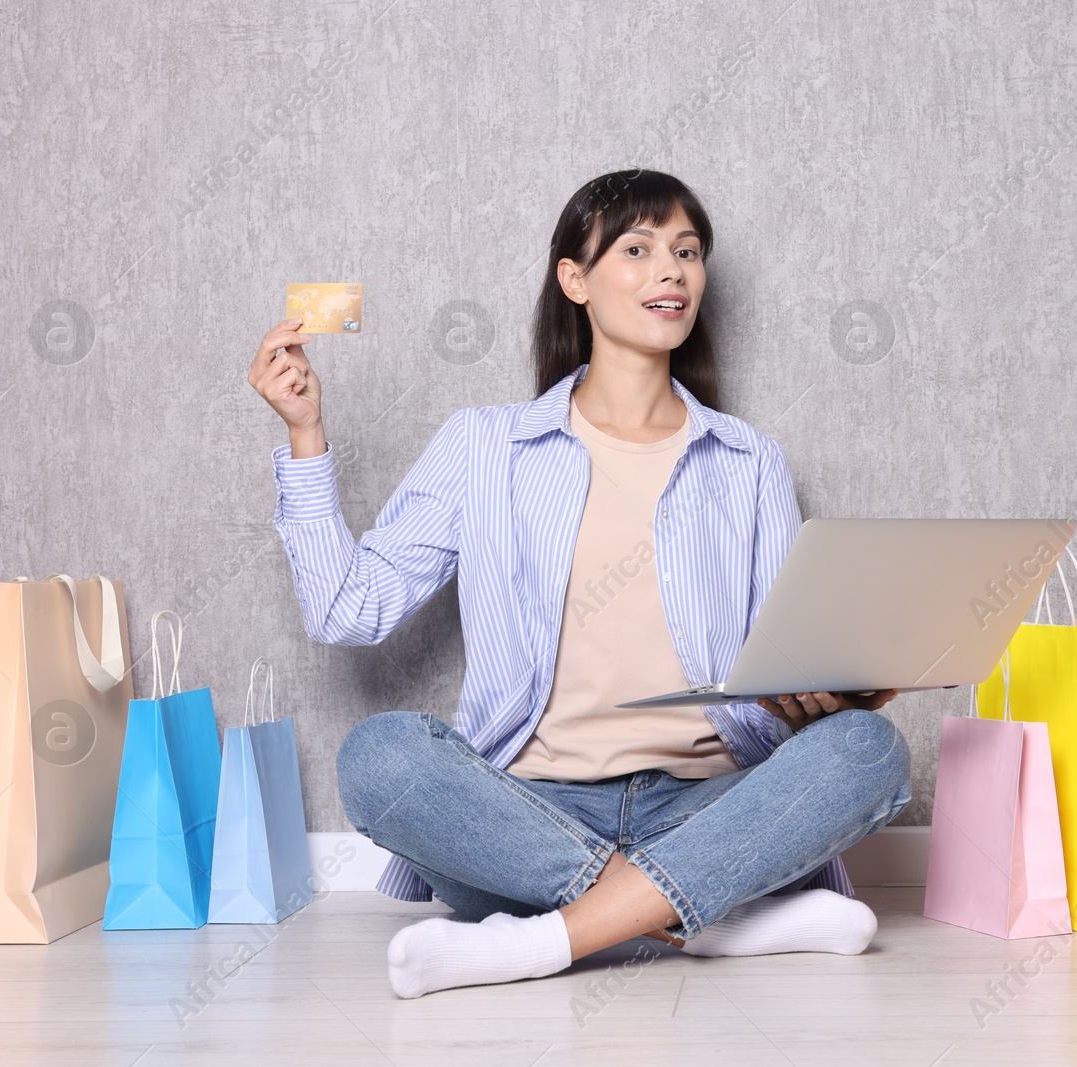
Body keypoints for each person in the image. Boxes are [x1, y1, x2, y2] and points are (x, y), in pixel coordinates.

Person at [248, 169, 912, 999]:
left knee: (870, 750)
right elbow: (350, 610)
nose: (671, 271)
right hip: (527, 818)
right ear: (575, 280)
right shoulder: (484, 447)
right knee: (378, 757)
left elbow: (779, 655)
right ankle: (713, 919)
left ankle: (549, 939)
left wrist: (828, 693)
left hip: (707, 804)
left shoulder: (749, 462)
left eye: (687, 252)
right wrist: (306, 436)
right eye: (636, 249)